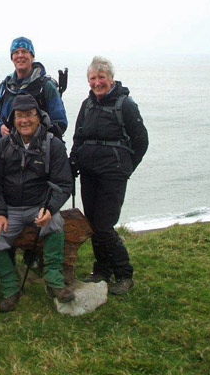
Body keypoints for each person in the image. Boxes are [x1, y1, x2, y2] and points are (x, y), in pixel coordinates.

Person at [0, 95, 74, 312]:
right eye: (19, 116)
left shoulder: (53, 145)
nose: (24, 120)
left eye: (28, 115)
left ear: (39, 117)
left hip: (40, 206)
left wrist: (50, 208)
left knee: (55, 223)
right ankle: (11, 287)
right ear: (13, 119)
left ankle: (54, 281)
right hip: (10, 210)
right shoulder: (3, 145)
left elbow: (64, 184)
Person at [70, 56, 148, 295]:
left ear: (111, 78)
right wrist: (74, 160)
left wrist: (125, 168)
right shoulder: (87, 104)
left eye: (101, 77)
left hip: (113, 175)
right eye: (92, 78)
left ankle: (124, 273)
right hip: (90, 173)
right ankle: (102, 269)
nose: (97, 82)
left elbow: (141, 141)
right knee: (93, 224)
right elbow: (79, 137)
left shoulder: (125, 104)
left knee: (104, 225)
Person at [0, 37, 68, 140]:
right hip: (8, 149)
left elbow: (60, 122)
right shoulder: (5, 87)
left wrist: (34, 134)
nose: (20, 56)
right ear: (12, 58)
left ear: (32, 56)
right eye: (16, 52)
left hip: (39, 150)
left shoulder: (45, 86)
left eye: (24, 51)